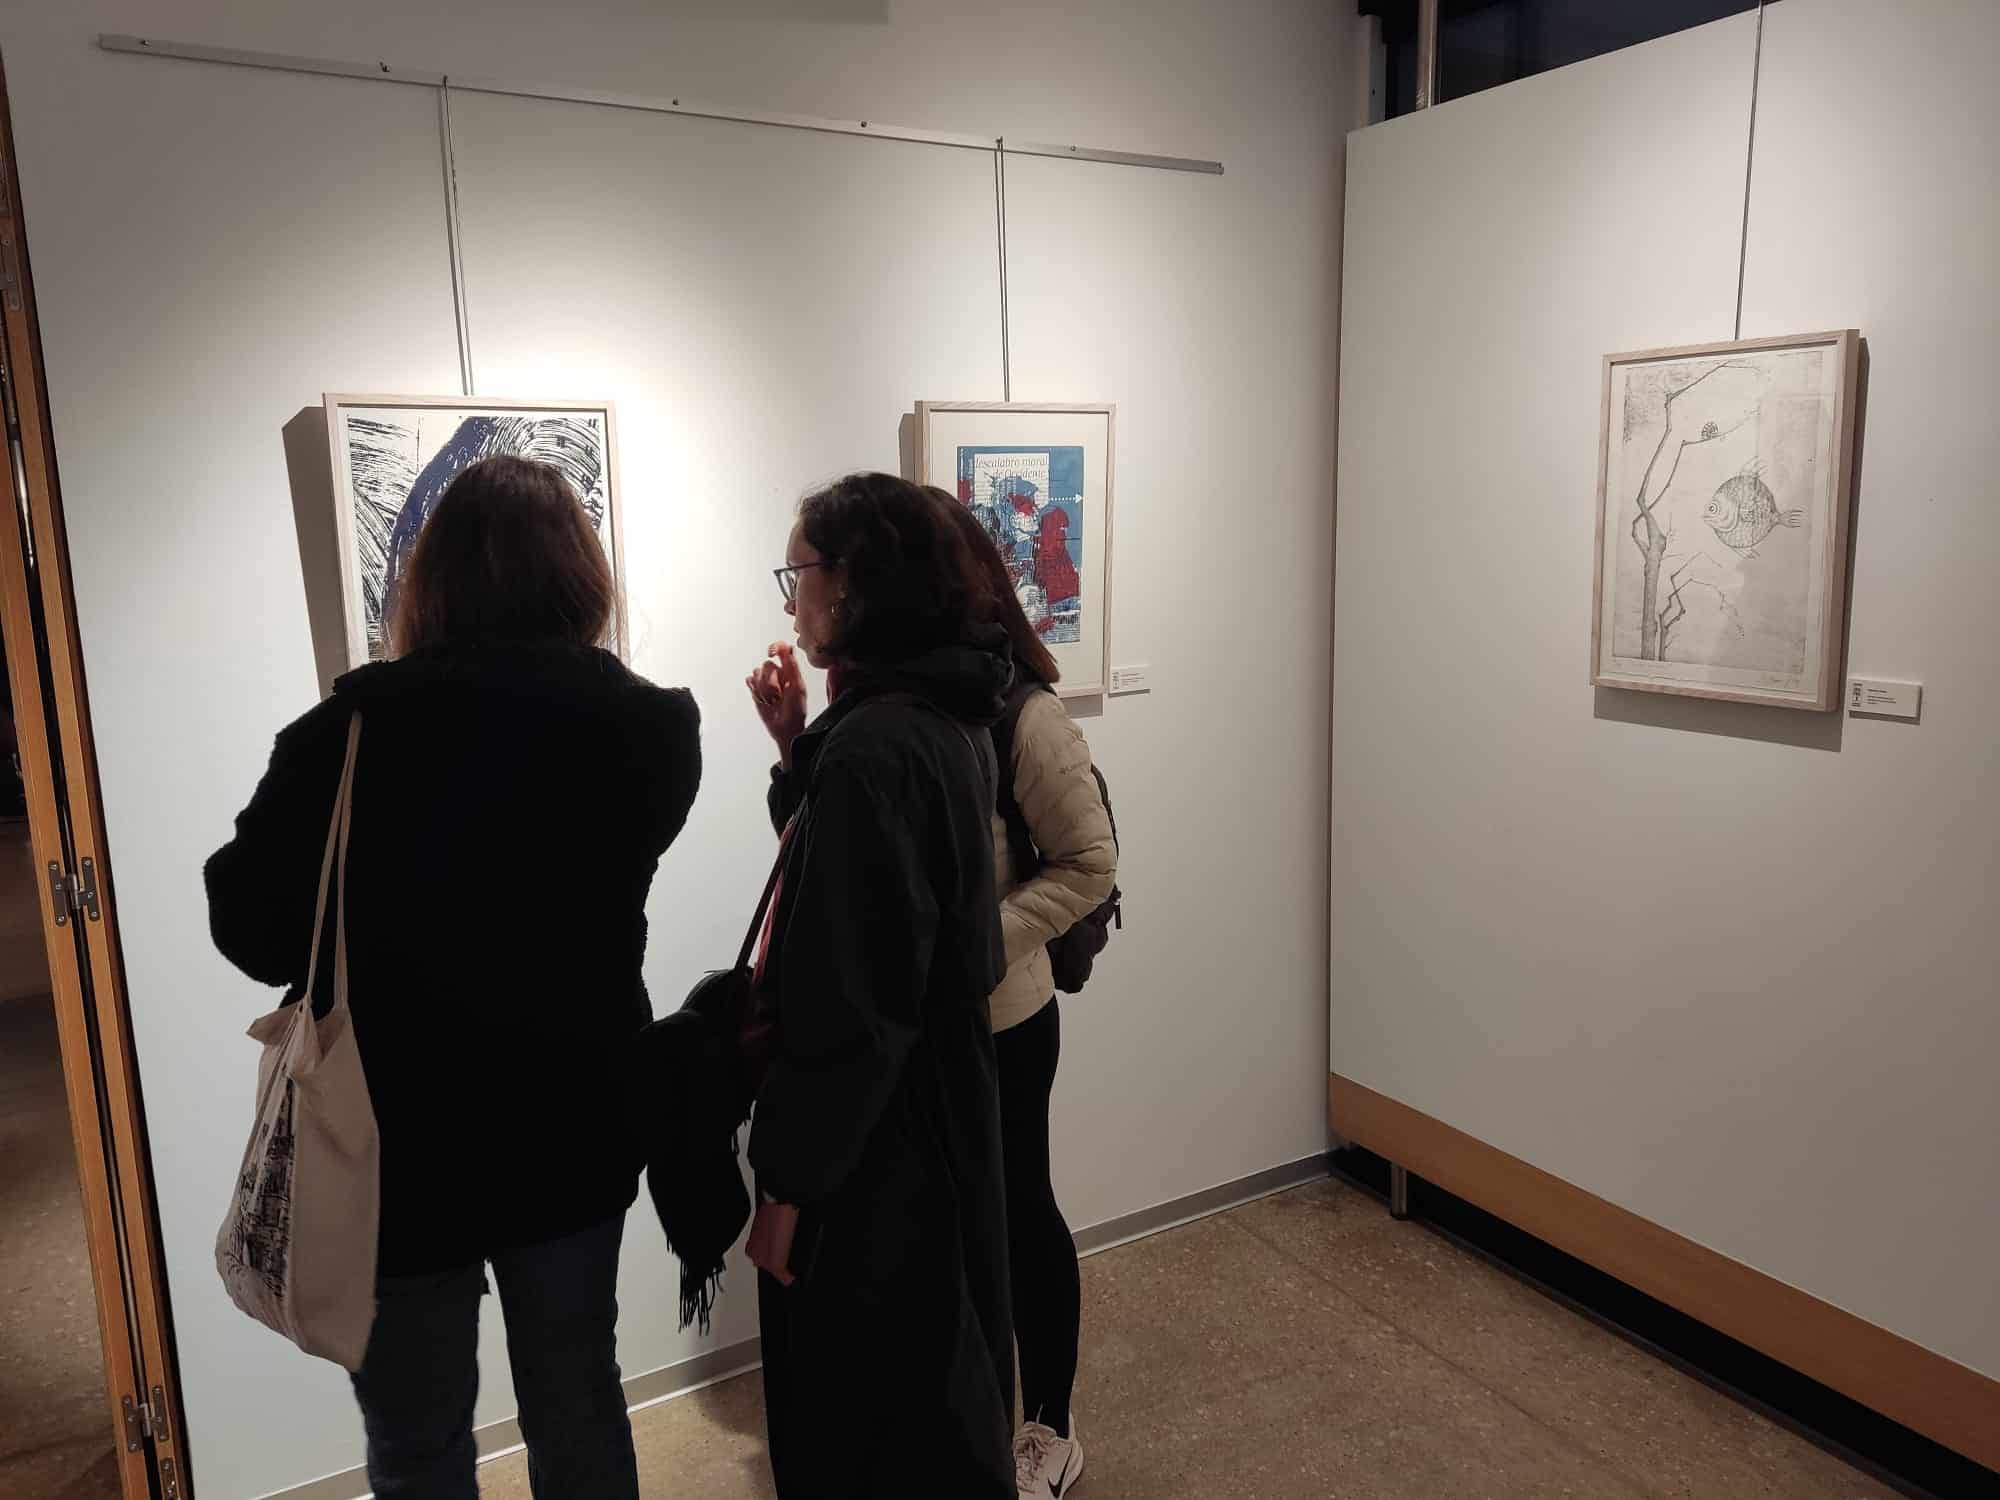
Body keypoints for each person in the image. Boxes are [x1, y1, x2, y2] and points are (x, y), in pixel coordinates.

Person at [205, 455, 699, 1500]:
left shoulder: (344, 736)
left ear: (429, 581)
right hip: (574, 1122)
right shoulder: (653, 728)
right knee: (578, 1398)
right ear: (580, 576)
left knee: (417, 1441)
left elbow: (249, 928)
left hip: (396, 1143)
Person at [743, 472, 1015, 1498]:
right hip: (935, 1113)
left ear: (852, 583)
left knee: (868, 1426)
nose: (792, 602)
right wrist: (794, 747)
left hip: (876, 1157)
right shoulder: (942, 714)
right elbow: (869, 893)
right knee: (937, 1399)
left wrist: (786, 1188)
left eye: (800, 575)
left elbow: (851, 1009)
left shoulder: (875, 745)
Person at [938, 492, 1116, 1500]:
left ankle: (1049, 1424)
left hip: (1005, 1017)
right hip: (928, 1027)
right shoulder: (901, 705)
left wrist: (975, 947)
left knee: (1017, 1213)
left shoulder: (1025, 712)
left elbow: (1089, 862)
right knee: (957, 1225)